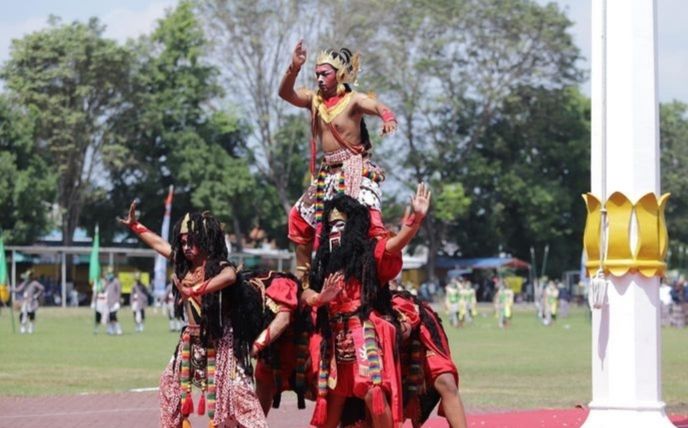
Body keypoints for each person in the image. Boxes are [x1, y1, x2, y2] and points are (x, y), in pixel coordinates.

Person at [119, 201, 267, 428]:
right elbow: (159, 244)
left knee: (238, 396)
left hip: (221, 347)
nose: (186, 247)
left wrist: (195, 289)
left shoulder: (218, 266)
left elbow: (229, 277)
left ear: (206, 241)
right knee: (169, 385)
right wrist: (135, 226)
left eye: (192, 242)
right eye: (183, 242)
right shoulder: (183, 265)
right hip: (190, 344)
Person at [304, 183, 431, 428]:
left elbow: (393, 246)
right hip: (333, 338)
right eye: (330, 226)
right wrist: (321, 299)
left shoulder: (366, 254)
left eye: (340, 225)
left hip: (362, 331)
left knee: (374, 394)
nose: (334, 232)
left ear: (353, 227)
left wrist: (415, 220)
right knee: (331, 402)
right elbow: (306, 292)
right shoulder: (323, 263)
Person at [279, 39, 398, 283]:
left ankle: (379, 277)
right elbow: (285, 93)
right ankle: (305, 281)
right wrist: (294, 67)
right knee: (298, 217)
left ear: (340, 74)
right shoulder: (314, 100)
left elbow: (375, 105)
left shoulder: (352, 100)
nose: (320, 79)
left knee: (371, 222)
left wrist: (387, 117)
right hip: (326, 175)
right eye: (317, 74)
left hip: (355, 169)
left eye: (325, 74)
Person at [392, 289, 468, 428]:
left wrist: (405, 323)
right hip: (380, 335)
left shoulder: (406, 302)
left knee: (447, 383)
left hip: (420, 330)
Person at [14, 270, 45, 334]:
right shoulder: (25, 283)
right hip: (25, 301)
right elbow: (18, 289)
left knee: (31, 314)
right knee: (22, 315)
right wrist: (10, 289)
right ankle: (23, 328)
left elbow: (42, 288)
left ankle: (31, 328)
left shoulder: (35, 283)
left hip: (32, 302)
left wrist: (36, 295)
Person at [103, 267, 123, 335]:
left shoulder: (116, 281)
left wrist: (118, 301)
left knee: (113, 315)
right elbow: (104, 290)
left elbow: (119, 292)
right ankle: (111, 329)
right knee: (109, 316)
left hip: (115, 302)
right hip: (108, 302)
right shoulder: (107, 282)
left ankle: (118, 329)